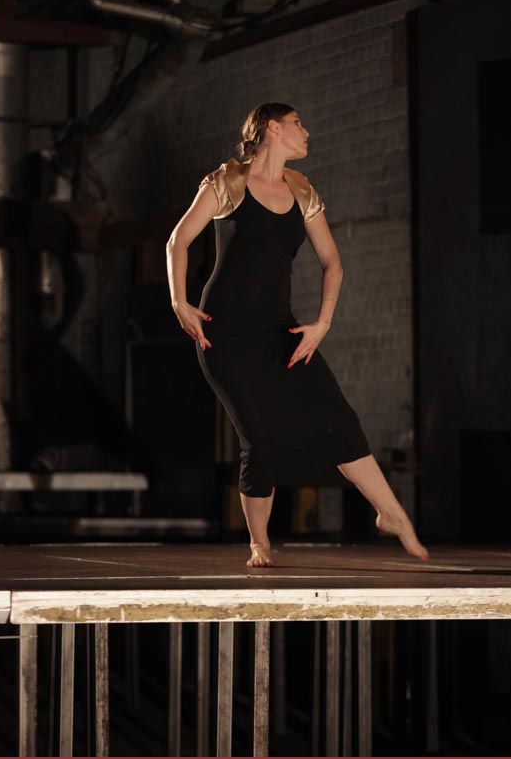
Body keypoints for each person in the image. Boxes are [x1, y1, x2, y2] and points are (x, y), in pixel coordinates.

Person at [166, 103, 429, 568]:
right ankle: (259, 543)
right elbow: (178, 242)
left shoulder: (302, 190)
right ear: (273, 127)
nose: (306, 131)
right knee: (259, 438)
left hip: (280, 331)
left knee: (340, 419)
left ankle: (392, 515)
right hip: (225, 335)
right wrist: (179, 301)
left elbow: (333, 263)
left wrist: (322, 324)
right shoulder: (228, 182)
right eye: (297, 124)